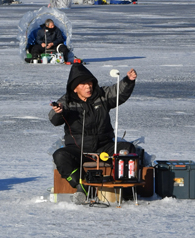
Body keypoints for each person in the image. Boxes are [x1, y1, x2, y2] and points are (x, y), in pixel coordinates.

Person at [49, 63, 137, 204]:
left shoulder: (101, 96)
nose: (88, 87)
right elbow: (54, 119)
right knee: (60, 155)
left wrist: (128, 80)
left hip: (104, 146)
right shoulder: (66, 102)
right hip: (78, 149)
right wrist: (58, 112)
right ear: (75, 88)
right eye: (83, 84)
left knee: (127, 150)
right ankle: (81, 185)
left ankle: (124, 191)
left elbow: (118, 92)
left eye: (89, 83)